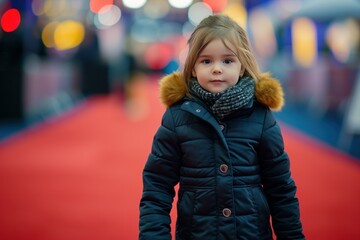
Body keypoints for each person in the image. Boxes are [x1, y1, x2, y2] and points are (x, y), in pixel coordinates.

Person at [139, 14, 305, 240]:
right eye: (206, 61)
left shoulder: (260, 116)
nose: (217, 69)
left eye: (227, 61)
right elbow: (157, 186)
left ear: (242, 66)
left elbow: (281, 189)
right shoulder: (177, 117)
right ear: (193, 67)